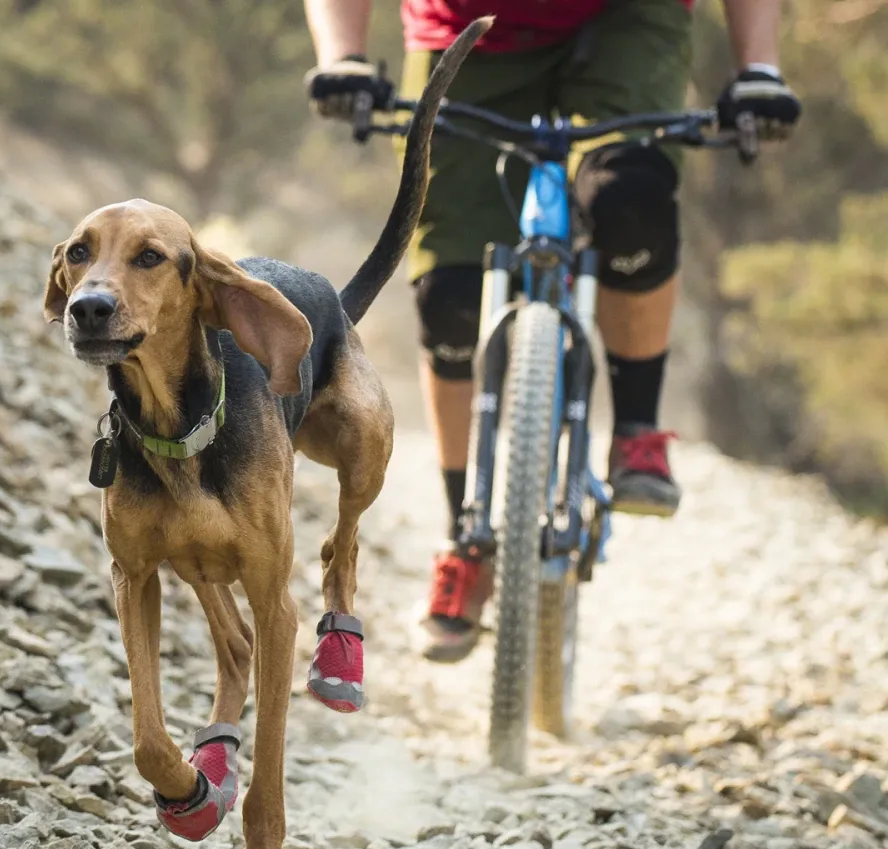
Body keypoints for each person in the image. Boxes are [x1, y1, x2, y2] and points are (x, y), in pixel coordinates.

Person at [303, 0, 801, 662]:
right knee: (451, 296)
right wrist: (343, 58)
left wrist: (758, 69)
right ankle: (465, 539)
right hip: (465, 30)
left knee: (631, 201)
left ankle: (637, 436)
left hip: (625, 20)